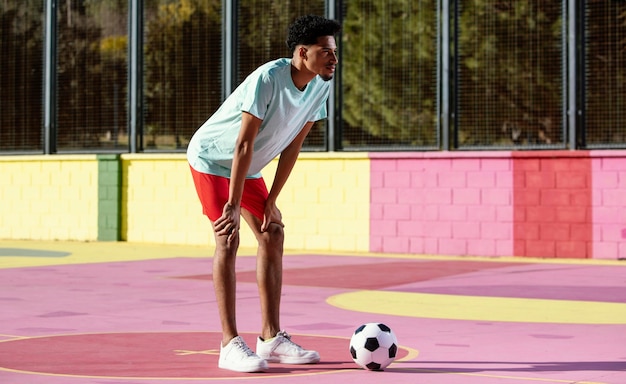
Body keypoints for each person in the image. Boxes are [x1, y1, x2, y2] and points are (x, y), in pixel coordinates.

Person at [187, 15, 341, 373]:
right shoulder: (268, 79)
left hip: (248, 164)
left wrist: (271, 200)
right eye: (326, 51)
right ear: (303, 53)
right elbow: (243, 144)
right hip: (213, 158)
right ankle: (229, 344)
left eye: (335, 51)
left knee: (272, 232)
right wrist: (233, 204)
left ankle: (271, 337)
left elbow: (293, 146)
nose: (334, 58)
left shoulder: (321, 85)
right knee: (228, 237)